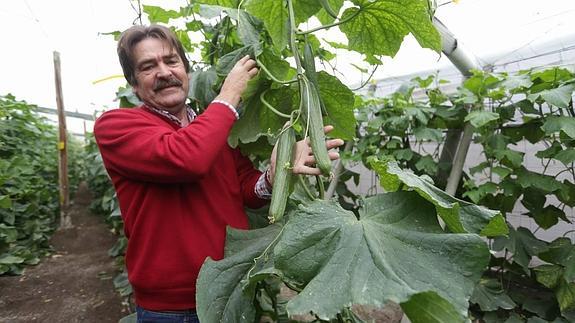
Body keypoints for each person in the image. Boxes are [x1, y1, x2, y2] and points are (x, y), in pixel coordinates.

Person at [94, 24, 343, 322]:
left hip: (233, 289)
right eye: (148, 67)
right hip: (171, 308)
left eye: (171, 61)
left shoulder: (215, 128)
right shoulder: (117, 126)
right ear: (134, 83)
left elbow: (247, 191)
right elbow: (188, 157)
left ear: (185, 69)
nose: (164, 72)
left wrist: (276, 174)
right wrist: (229, 94)